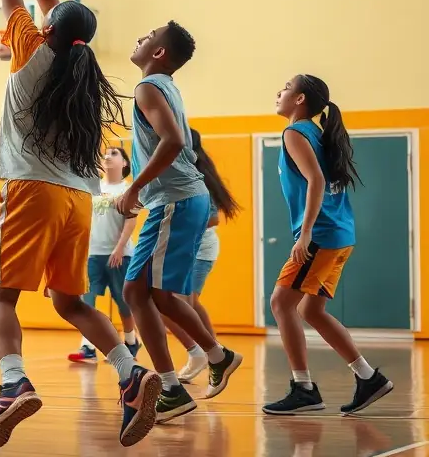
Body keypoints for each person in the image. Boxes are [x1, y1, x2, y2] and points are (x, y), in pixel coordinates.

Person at [0, 0, 160, 451]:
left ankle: (12, 385)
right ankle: (132, 374)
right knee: (69, 300)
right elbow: (54, 6)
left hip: (29, 190)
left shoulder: (31, 49)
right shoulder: (85, 70)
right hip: (78, 200)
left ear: (47, 29)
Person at [116, 22, 242, 424]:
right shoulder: (164, 86)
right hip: (178, 200)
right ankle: (195, 372)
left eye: (147, 36)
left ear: (158, 53)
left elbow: (173, 141)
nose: (139, 37)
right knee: (147, 294)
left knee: (143, 293)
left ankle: (190, 376)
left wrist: (134, 187)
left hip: (176, 200)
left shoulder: (149, 88)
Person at [263, 75, 392, 415]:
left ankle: (303, 388)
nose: (279, 92)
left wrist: (305, 234)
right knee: (308, 309)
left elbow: (316, 181)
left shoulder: (295, 132)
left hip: (321, 235)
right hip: (339, 235)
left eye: (285, 88)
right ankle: (368, 377)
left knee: (280, 303)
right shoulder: (316, 133)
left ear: (300, 98)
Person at [169, 130, 241, 384]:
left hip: (199, 250)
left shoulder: (198, 176)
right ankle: (214, 354)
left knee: (175, 305)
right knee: (190, 304)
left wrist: (179, 227)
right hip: (187, 248)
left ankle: (204, 353)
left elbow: (212, 218)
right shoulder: (179, 171)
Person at [68, 146, 140, 363]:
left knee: (123, 303)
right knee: (86, 302)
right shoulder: (93, 187)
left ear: (125, 163)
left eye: (114, 154)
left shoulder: (128, 189)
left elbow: (131, 219)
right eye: (105, 154)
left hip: (120, 254)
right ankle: (87, 347)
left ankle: (131, 340)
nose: (107, 156)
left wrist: (119, 248)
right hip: (92, 254)